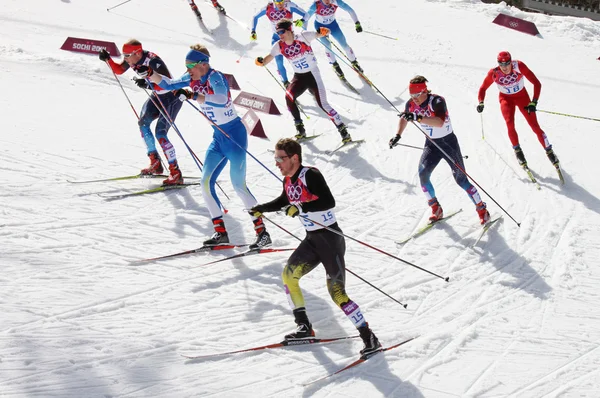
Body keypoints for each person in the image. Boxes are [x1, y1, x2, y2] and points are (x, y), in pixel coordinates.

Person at [249, 138, 381, 356]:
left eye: (280, 159)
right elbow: (283, 201)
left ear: (294, 158)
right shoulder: (288, 181)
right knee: (288, 276)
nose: (277, 163)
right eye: (275, 158)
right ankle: (303, 327)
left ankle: (369, 337)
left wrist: (300, 208)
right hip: (312, 240)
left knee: (337, 293)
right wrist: (261, 208)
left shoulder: (310, 174)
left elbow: (328, 202)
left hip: (330, 239)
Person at [148, 44, 271, 249]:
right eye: (186, 66)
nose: (188, 71)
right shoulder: (191, 78)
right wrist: (150, 74)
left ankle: (262, 233)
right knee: (205, 183)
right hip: (218, 138)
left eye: (190, 66)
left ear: (202, 64)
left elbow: (222, 100)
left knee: (238, 186)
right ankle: (221, 232)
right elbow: (168, 84)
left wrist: (193, 96)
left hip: (234, 136)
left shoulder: (216, 77)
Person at [389, 76, 491, 225]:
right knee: (423, 175)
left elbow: (439, 122)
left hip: (448, 143)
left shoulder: (437, 101)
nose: (414, 99)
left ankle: (482, 209)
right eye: (412, 95)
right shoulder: (411, 104)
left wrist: (417, 117)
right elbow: (404, 118)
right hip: (431, 145)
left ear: (425, 91)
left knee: (461, 180)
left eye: (417, 95)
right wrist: (397, 135)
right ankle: (436, 208)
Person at [99, 39, 184, 185]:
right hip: (157, 96)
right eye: (123, 54)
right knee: (143, 123)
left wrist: (149, 84)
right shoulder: (132, 58)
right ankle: (155, 162)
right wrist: (108, 59)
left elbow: (167, 85)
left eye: (127, 55)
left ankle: (175, 173)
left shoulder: (153, 61)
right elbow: (119, 70)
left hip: (171, 97)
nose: (124, 58)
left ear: (137, 53)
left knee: (160, 133)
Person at [255, 19, 352, 143]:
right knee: (289, 97)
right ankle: (300, 129)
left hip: (312, 75)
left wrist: (324, 31)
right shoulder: (279, 45)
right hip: (299, 77)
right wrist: (261, 62)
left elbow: (322, 33)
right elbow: (268, 58)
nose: (280, 35)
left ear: (290, 29)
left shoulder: (303, 36)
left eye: (282, 32)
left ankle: (343, 131)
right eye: (278, 33)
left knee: (323, 104)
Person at [477, 51, 559, 168]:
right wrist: (481, 102)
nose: (504, 67)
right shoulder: (494, 73)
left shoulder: (519, 66)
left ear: (511, 62)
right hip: (506, 100)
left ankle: (549, 150)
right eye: (501, 64)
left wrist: (533, 102)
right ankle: (518, 151)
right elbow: (483, 88)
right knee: (509, 124)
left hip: (522, 97)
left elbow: (537, 83)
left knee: (534, 126)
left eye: (507, 63)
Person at [250, 0, 307, 87]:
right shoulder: (268, 8)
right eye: (278, 2)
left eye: (282, 1)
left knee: (298, 59)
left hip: (290, 38)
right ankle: (285, 82)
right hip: (277, 38)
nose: (280, 4)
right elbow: (255, 17)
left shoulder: (289, 5)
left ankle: (306, 79)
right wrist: (253, 31)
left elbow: (306, 14)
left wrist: (302, 21)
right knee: (279, 61)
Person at [303, 0, 364, 79]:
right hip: (321, 27)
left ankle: (354, 62)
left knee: (344, 45)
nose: (328, 1)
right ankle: (334, 65)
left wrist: (357, 23)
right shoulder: (316, 4)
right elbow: (306, 17)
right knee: (328, 46)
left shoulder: (336, 1)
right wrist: (303, 30)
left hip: (333, 26)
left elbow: (350, 10)